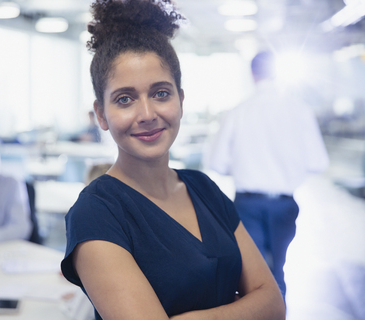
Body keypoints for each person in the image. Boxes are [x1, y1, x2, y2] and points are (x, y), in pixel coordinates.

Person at [60, 1, 285, 319]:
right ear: (101, 114)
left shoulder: (203, 188)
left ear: (181, 100)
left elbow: (274, 305)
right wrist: (242, 310)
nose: (147, 114)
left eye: (161, 93)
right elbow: (261, 305)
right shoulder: (96, 213)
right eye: (125, 99)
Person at [209, 51, 329, 299]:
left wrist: (247, 165)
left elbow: (217, 163)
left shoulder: (238, 111)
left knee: (253, 276)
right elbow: (318, 162)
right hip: (284, 205)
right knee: (277, 270)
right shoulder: (300, 110)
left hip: (247, 204)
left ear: (252, 74)